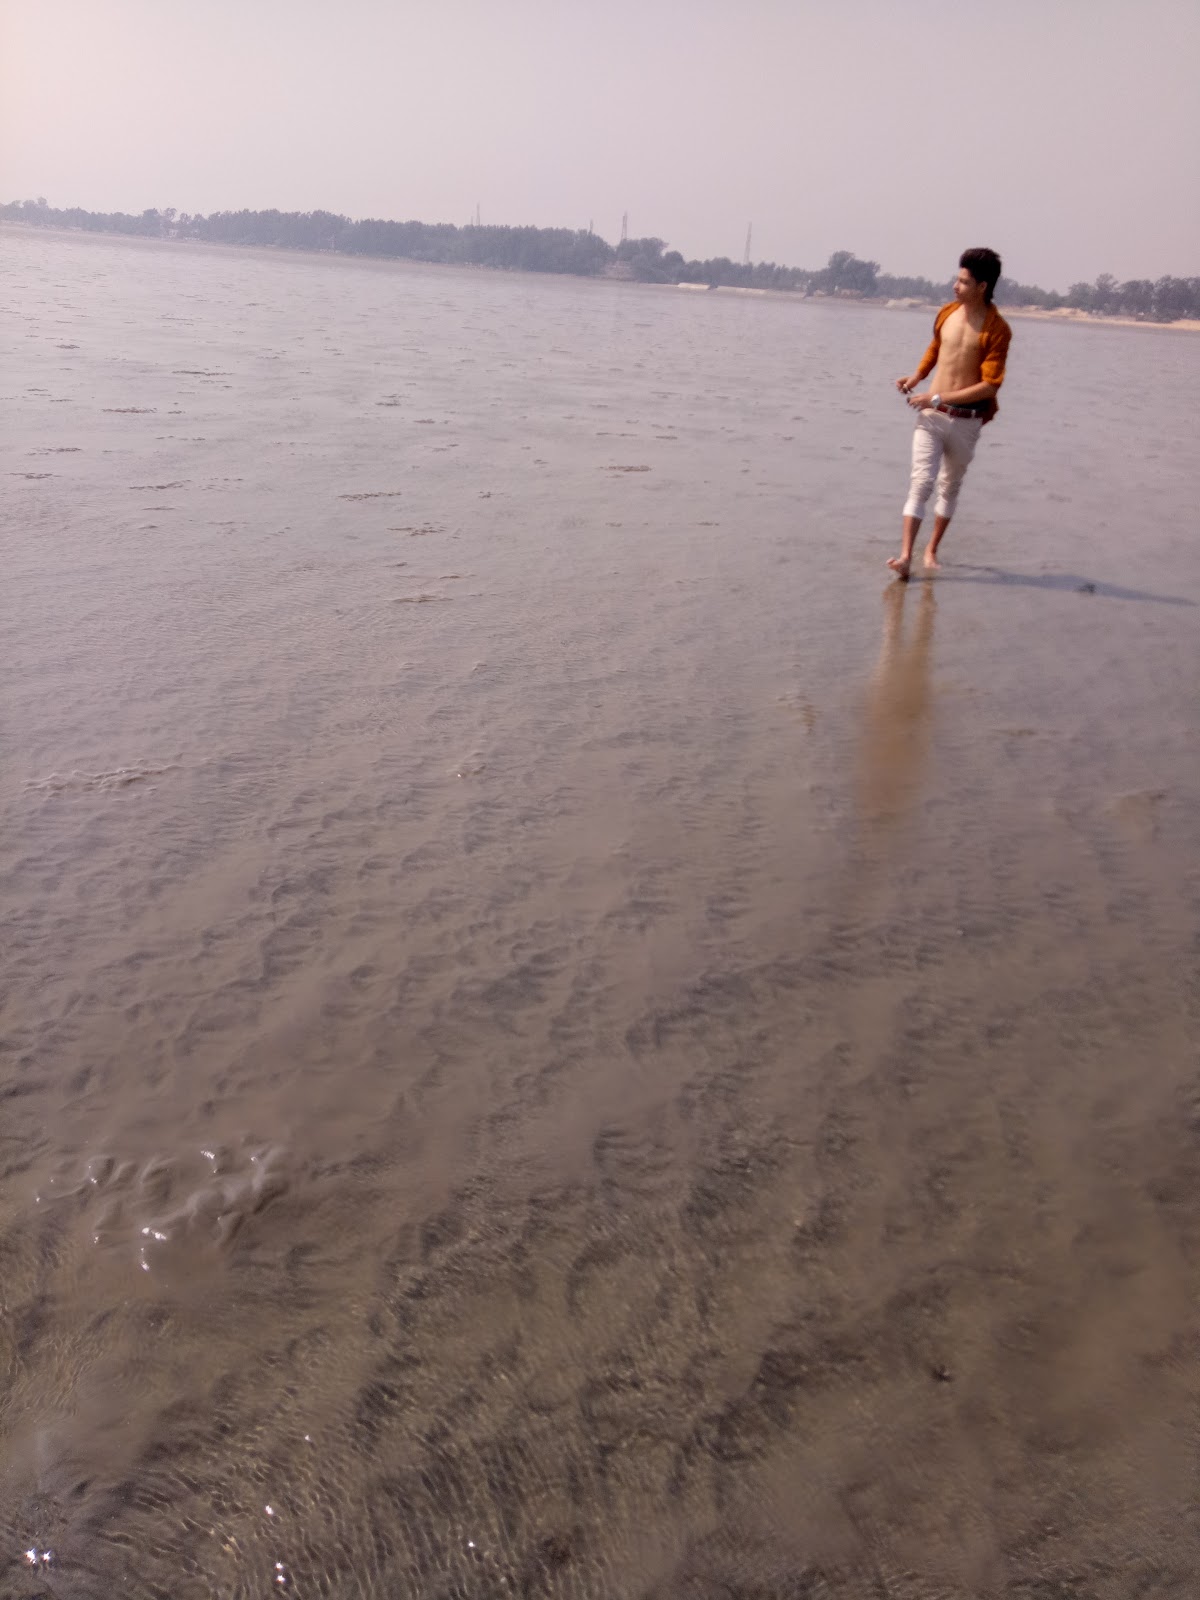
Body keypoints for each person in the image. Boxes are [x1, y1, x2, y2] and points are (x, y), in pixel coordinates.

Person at [888, 248, 1012, 579]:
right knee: (920, 483)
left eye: (963, 281)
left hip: (965, 422)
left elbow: (989, 387)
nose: (955, 286)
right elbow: (936, 347)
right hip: (931, 417)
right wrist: (916, 377)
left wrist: (938, 397)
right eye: (956, 279)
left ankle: (931, 549)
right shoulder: (946, 313)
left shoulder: (997, 329)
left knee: (950, 486)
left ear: (982, 286)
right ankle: (904, 557)